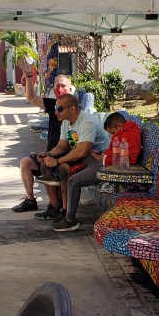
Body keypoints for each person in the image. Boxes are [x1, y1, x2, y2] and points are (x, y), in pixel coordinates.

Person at [37, 93, 110, 232]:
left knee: (73, 180)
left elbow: (82, 151)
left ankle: (70, 220)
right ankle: (57, 209)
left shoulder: (87, 122)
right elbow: (61, 147)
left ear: (72, 108)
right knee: (45, 165)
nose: (56, 112)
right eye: (55, 108)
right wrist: (48, 155)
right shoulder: (66, 122)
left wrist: (56, 161)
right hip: (85, 157)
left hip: (99, 160)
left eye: (59, 108)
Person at [11, 61, 76, 218]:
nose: (59, 89)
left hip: (66, 158)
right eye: (57, 86)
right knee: (26, 163)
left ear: (70, 89)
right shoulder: (53, 105)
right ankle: (30, 199)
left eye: (63, 86)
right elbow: (31, 97)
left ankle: (60, 209)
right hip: (51, 153)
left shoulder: (74, 110)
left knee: (56, 170)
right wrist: (29, 76)